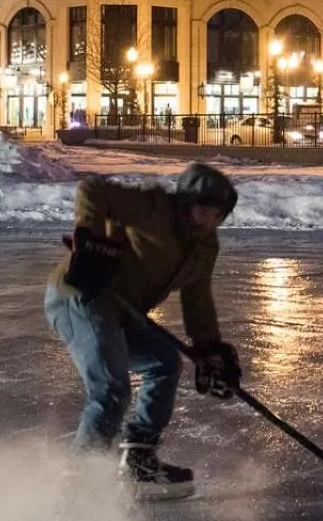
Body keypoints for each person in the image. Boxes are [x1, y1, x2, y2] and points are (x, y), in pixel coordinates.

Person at [45, 163, 243, 500]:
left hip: (124, 311)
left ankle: (138, 459)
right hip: (84, 296)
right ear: (186, 203)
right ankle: (79, 485)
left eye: (218, 215)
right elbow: (92, 190)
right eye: (204, 211)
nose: (210, 221)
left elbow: (197, 298)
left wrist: (208, 348)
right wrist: (89, 238)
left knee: (164, 363)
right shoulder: (154, 209)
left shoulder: (205, 247)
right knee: (111, 388)